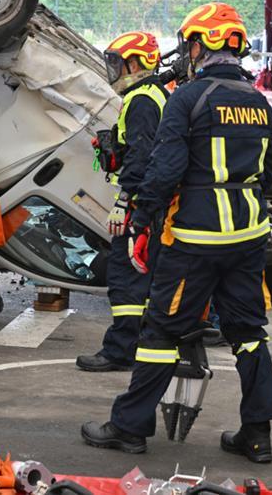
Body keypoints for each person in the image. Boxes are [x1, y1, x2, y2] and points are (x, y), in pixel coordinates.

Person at [81, 3, 272, 463]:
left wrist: (139, 221)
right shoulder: (258, 103)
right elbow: (267, 175)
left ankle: (129, 428)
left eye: (190, 44)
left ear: (200, 45)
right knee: (248, 333)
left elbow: (163, 170)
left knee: (161, 332)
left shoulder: (188, 98)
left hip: (194, 240)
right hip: (248, 235)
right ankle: (257, 434)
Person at [76, 31, 169, 372]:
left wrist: (124, 202)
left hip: (139, 204)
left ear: (134, 63)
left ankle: (120, 350)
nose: (113, 70)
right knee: (141, 276)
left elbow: (143, 157)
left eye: (117, 63)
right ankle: (138, 342)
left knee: (124, 276)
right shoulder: (153, 95)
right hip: (151, 203)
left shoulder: (142, 99)